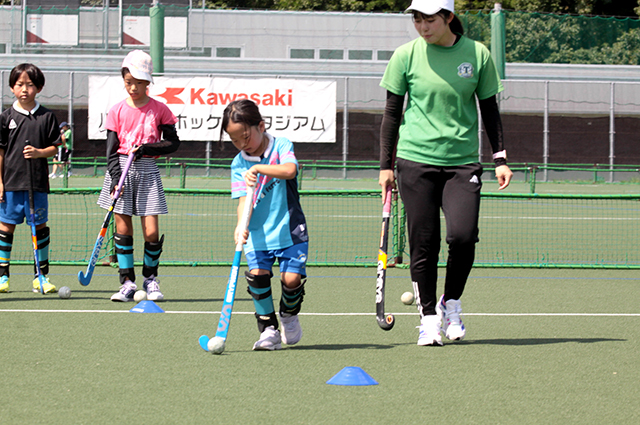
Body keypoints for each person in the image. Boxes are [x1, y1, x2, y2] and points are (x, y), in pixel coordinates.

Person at [378, 0, 513, 346]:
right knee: (424, 243)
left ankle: (451, 302)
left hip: (462, 162)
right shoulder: (405, 56)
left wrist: (500, 158)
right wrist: (384, 167)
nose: (422, 27)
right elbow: (392, 115)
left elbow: (489, 110)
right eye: (417, 20)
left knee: (463, 236)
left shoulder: (478, 54)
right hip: (414, 160)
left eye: (429, 20)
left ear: (448, 18)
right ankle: (428, 318)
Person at [221, 99, 309, 351]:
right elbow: (241, 201)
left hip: (289, 229)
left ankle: (289, 315)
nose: (241, 144)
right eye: (234, 140)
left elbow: (290, 170)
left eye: (245, 136)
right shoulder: (238, 164)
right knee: (258, 277)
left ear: (261, 126)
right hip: (258, 233)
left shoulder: (281, 145)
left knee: (291, 279)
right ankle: (268, 329)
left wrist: (260, 168)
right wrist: (240, 225)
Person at [97, 50, 180, 302]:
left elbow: (173, 143)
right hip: (121, 170)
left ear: (148, 82)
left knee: (151, 231)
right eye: (128, 82)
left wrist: (146, 149)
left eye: (138, 82)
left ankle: (150, 279)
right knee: (123, 229)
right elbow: (111, 151)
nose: (133, 88)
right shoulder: (116, 111)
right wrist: (114, 179)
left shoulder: (160, 109)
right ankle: (127, 282)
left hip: (147, 170)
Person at [0, 63, 61, 294]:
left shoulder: (47, 117)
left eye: (30, 85)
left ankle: (41, 277)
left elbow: (55, 148)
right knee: (5, 228)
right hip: (11, 184)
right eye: (19, 85)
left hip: (37, 185)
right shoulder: (5, 118)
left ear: (39, 88)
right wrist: (0, 182)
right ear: (12, 88)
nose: (24, 89)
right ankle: (2, 276)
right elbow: (1, 152)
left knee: (39, 228)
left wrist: (38, 152)